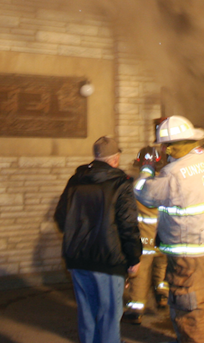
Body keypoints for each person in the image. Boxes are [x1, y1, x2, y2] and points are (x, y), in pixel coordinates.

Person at [134, 115, 204, 343]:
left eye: (164, 145)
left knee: (190, 313)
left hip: (190, 258)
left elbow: (143, 192)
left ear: (171, 146)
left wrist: (147, 168)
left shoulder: (174, 173)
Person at [54, 136, 142, 343]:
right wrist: (134, 258)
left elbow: (60, 217)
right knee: (109, 316)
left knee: (87, 314)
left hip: (78, 259)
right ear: (115, 158)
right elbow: (128, 224)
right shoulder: (121, 183)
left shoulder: (76, 180)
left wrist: (77, 237)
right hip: (109, 261)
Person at [122, 145, 170, 325]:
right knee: (162, 267)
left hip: (145, 238)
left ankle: (136, 309)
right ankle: (162, 295)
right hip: (165, 236)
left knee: (140, 273)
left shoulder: (138, 185)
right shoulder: (167, 182)